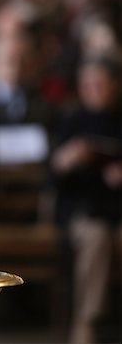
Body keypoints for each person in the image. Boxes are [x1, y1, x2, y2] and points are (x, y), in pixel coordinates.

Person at [51, 56, 122, 344]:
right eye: (87, 85)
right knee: (96, 239)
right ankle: (86, 323)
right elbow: (54, 172)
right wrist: (67, 159)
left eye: (99, 85)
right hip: (84, 212)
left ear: (115, 86)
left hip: (118, 210)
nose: (93, 90)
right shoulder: (72, 120)